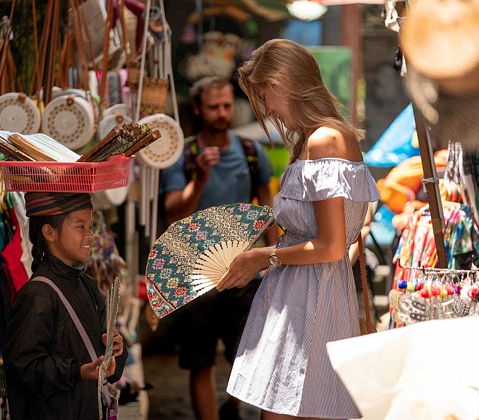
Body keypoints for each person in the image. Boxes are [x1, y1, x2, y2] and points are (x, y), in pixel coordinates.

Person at [216, 39, 380, 419]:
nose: (267, 109)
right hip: (307, 296)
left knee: (283, 411)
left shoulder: (326, 140)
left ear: (282, 83)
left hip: (309, 301)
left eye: (263, 95)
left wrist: (263, 257)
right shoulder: (318, 139)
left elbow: (332, 246)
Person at [159, 76, 277, 420]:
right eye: (214, 107)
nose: (222, 113)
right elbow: (173, 211)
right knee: (201, 362)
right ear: (198, 109)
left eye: (227, 105)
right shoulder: (184, 154)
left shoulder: (252, 152)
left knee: (252, 357)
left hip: (244, 274)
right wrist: (199, 179)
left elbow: (267, 213)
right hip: (197, 279)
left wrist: (274, 266)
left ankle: (236, 404)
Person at [3, 192, 127, 420]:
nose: (90, 236)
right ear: (50, 232)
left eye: (91, 226)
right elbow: (24, 369)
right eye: (80, 227)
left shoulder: (88, 286)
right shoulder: (37, 295)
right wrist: (77, 371)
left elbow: (105, 364)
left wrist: (115, 351)